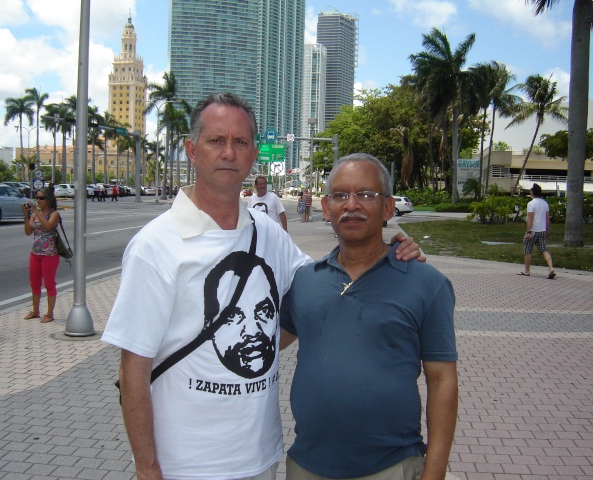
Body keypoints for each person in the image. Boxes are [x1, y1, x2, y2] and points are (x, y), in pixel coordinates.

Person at [101, 94, 422, 480]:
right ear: (192, 150)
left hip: (260, 459)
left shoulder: (268, 233)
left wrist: (388, 252)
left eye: (240, 143)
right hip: (184, 466)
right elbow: (134, 368)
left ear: (254, 155)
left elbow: (328, 285)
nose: (228, 153)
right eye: (216, 141)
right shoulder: (155, 245)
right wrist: (147, 468)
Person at [280, 153, 458, 480]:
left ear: (388, 208)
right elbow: (272, 340)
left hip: (391, 467)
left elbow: (442, 380)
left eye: (366, 195)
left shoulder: (426, 283)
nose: (351, 204)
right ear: (326, 207)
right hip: (306, 465)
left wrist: (434, 473)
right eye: (340, 195)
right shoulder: (306, 280)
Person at [21, 186, 60, 323]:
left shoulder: (54, 214)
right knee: (34, 283)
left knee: (49, 283)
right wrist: (27, 215)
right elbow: (28, 231)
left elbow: (48, 226)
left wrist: (36, 211)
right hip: (35, 253)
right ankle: (35, 310)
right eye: (37, 198)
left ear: (48, 199)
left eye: (41, 198)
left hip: (50, 254)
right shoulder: (34, 214)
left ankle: (49, 313)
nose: (38, 200)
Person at [519, 183, 556, 279]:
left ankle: (527, 271)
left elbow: (530, 219)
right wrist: (547, 229)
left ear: (532, 193)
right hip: (542, 230)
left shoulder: (531, 204)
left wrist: (528, 232)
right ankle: (551, 268)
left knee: (527, 250)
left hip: (533, 230)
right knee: (544, 249)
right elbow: (547, 218)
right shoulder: (545, 203)